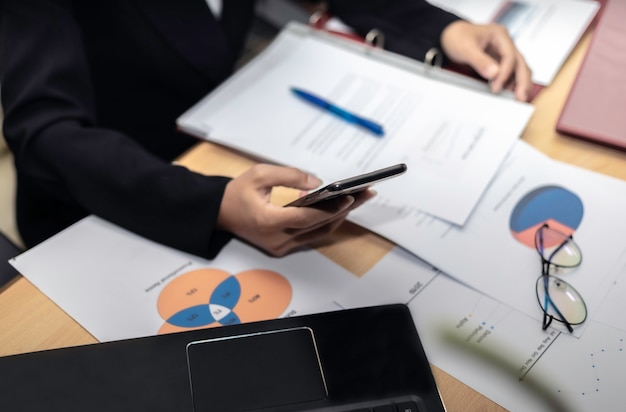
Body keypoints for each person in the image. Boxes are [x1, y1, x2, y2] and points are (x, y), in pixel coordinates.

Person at [0, 0, 532, 259]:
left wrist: (438, 27)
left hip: (224, 132)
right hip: (115, 196)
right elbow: (45, 131)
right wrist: (212, 205)